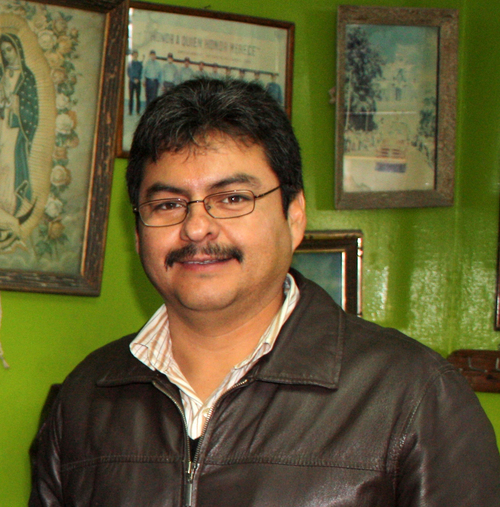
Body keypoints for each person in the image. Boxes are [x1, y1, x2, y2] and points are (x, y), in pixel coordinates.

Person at [30, 78, 500, 506]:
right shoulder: (84, 398)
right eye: (168, 204)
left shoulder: (414, 397)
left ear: (294, 216)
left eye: (233, 198)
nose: (196, 227)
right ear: (137, 234)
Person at [0, 32, 38, 217]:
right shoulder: (2, 75)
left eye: (9, 49)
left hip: (15, 129)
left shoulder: (26, 77)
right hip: (1, 124)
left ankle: (7, 206)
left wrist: (14, 101)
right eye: (3, 52)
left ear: (17, 50)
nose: (7, 55)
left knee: (8, 164)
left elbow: (32, 109)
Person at [127, 50, 143, 115]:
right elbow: (129, 73)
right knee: (131, 97)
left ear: (137, 55)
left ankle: (138, 111)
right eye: (134, 54)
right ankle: (130, 111)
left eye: (136, 54)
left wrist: (138, 79)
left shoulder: (139, 64)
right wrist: (133, 80)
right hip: (131, 82)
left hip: (138, 82)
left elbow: (141, 73)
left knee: (138, 97)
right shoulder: (130, 64)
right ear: (132, 55)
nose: (135, 56)